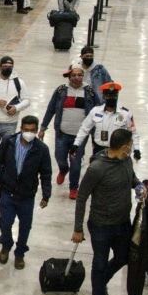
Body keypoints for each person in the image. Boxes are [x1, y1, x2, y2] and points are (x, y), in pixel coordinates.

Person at [73, 129, 141, 295]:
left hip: (122, 223)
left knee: (123, 257)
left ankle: (101, 284)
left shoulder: (126, 161)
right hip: (101, 225)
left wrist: (139, 186)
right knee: (100, 263)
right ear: (125, 146)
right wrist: (78, 228)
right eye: (130, 146)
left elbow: (132, 178)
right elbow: (82, 196)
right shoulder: (97, 168)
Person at [0, 115, 52, 270]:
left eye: (32, 130)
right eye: (26, 130)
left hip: (26, 195)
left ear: (36, 131)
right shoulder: (9, 143)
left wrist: (46, 195)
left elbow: (46, 173)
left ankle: (20, 253)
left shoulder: (41, 149)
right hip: (7, 192)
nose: (29, 133)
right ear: (21, 129)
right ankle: (6, 244)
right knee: (5, 223)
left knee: (25, 227)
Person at [41, 65, 101, 198]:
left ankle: (73, 187)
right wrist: (43, 128)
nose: (77, 78)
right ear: (69, 77)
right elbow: (51, 109)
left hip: (80, 136)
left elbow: (98, 111)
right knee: (59, 157)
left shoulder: (89, 92)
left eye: (80, 75)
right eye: (74, 75)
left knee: (76, 161)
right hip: (62, 133)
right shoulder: (61, 90)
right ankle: (63, 169)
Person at [75, 82, 141, 161]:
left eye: (114, 95)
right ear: (104, 96)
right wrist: (76, 144)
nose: (111, 98)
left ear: (117, 96)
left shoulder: (125, 114)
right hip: (99, 151)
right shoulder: (95, 111)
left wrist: (136, 149)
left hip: (118, 152)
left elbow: (133, 133)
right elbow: (84, 129)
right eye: (108, 95)